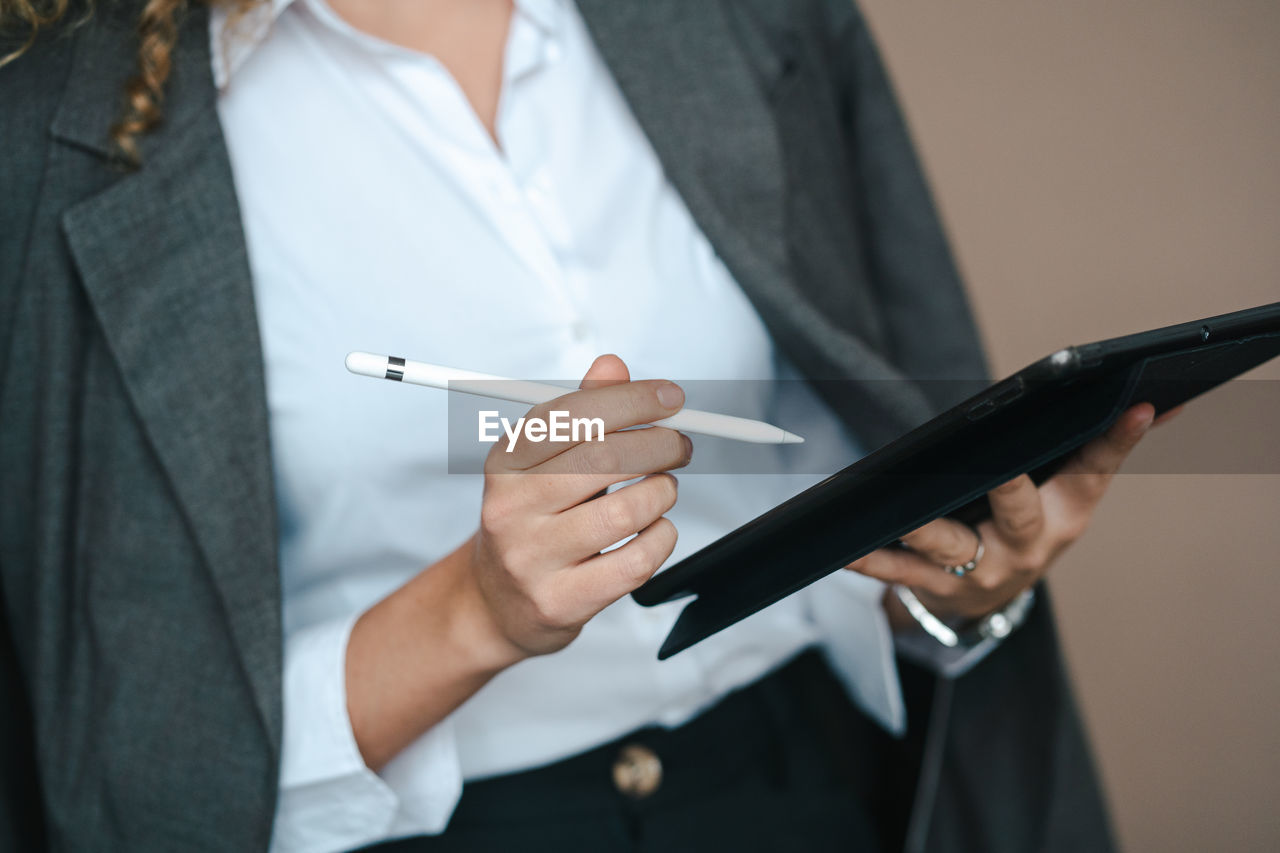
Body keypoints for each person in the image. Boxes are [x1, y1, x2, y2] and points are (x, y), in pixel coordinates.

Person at [0, 1, 1168, 850]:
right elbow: (120, 747)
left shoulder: (743, 22)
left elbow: (853, 442)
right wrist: (474, 608)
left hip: (807, 788)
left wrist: (957, 586)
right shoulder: (53, 127)